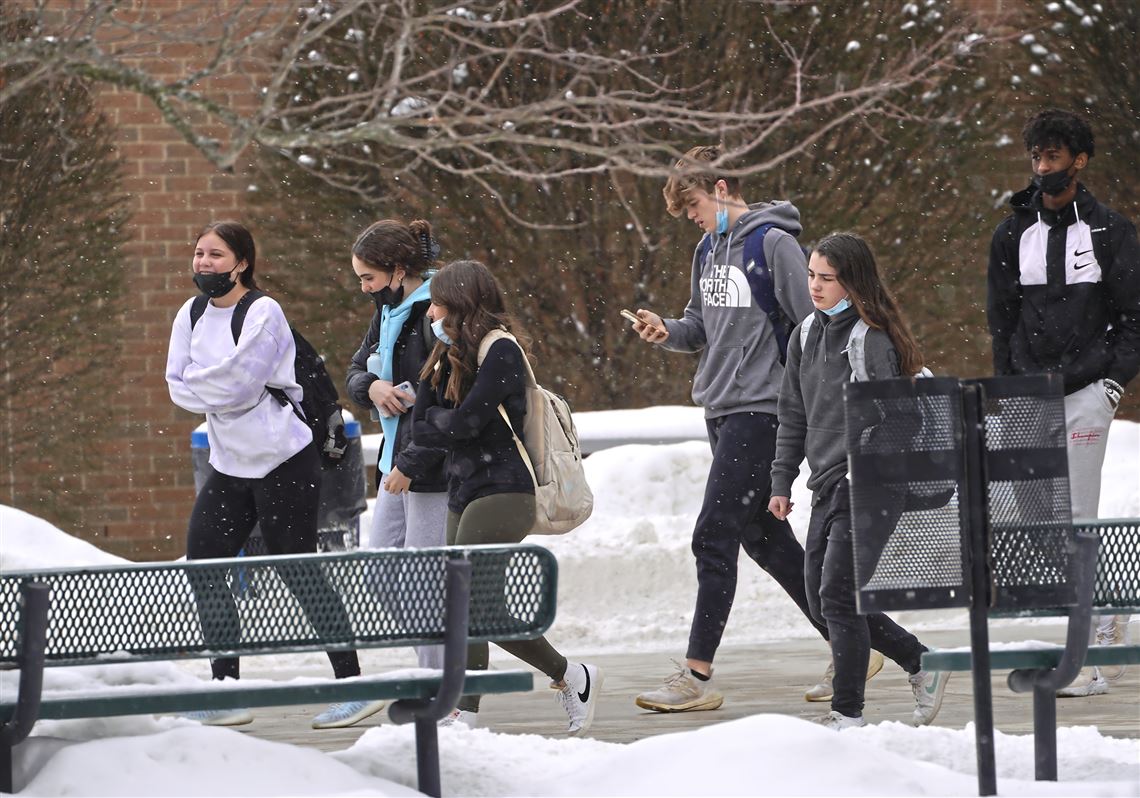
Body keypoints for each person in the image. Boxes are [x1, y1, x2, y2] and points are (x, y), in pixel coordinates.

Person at [629, 145, 883, 713]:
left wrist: (815, 405)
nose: (692, 218)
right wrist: (665, 330)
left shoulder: (774, 244)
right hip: (720, 408)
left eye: (694, 205)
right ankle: (866, 644)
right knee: (768, 543)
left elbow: (815, 326)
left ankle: (695, 675)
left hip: (763, 410)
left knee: (712, 534)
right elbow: (698, 326)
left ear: (721, 188)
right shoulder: (706, 250)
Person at [165, 221, 384, 730]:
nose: (204, 263)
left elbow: (241, 386)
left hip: (284, 459)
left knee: (297, 569)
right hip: (229, 462)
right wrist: (212, 385)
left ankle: (353, 687)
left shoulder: (263, 311)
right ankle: (226, 693)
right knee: (204, 565)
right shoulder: (190, 314)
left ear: (241, 263)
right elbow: (176, 386)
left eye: (216, 255)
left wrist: (205, 383)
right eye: (199, 253)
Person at [768, 232, 951, 729]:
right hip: (828, 482)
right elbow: (793, 413)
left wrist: (862, 457)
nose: (814, 286)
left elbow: (903, 418)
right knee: (819, 598)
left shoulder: (871, 340)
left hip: (871, 483)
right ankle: (921, 661)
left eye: (827, 278)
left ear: (852, 283)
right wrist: (782, 480)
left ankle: (846, 714)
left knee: (838, 595)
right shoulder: (805, 334)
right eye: (811, 275)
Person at [411, 259, 602, 734]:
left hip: (504, 489)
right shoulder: (446, 353)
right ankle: (572, 675)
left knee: (468, 602)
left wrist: (443, 423)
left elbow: (467, 422)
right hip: (462, 490)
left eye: (437, 304)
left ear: (461, 303)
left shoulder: (501, 350)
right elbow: (421, 425)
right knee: (475, 607)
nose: (430, 313)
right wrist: (445, 421)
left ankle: (464, 711)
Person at [988, 108, 1139, 698]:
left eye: (1052, 156)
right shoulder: (1011, 233)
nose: (1041, 166)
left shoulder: (1111, 231)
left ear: (1079, 160)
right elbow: (1001, 321)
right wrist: (1007, 389)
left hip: (1086, 394)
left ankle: (1088, 664)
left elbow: (1134, 317)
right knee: (1037, 522)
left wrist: (1111, 386)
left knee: (1077, 518)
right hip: (1026, 396)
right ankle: (1106, 610)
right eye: (1036, 156)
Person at [345, 219, 449, 670]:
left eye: (369, 277)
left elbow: (444, 401)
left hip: (429, 469)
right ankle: (442, 670)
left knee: (424, 583)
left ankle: (441, 684)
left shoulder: (434, 313)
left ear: (399, 270)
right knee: (382, 574)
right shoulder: (387, 311)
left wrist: (412, 462)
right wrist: (371, 387)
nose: (365, 288)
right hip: (395, 462)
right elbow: (354, 370)